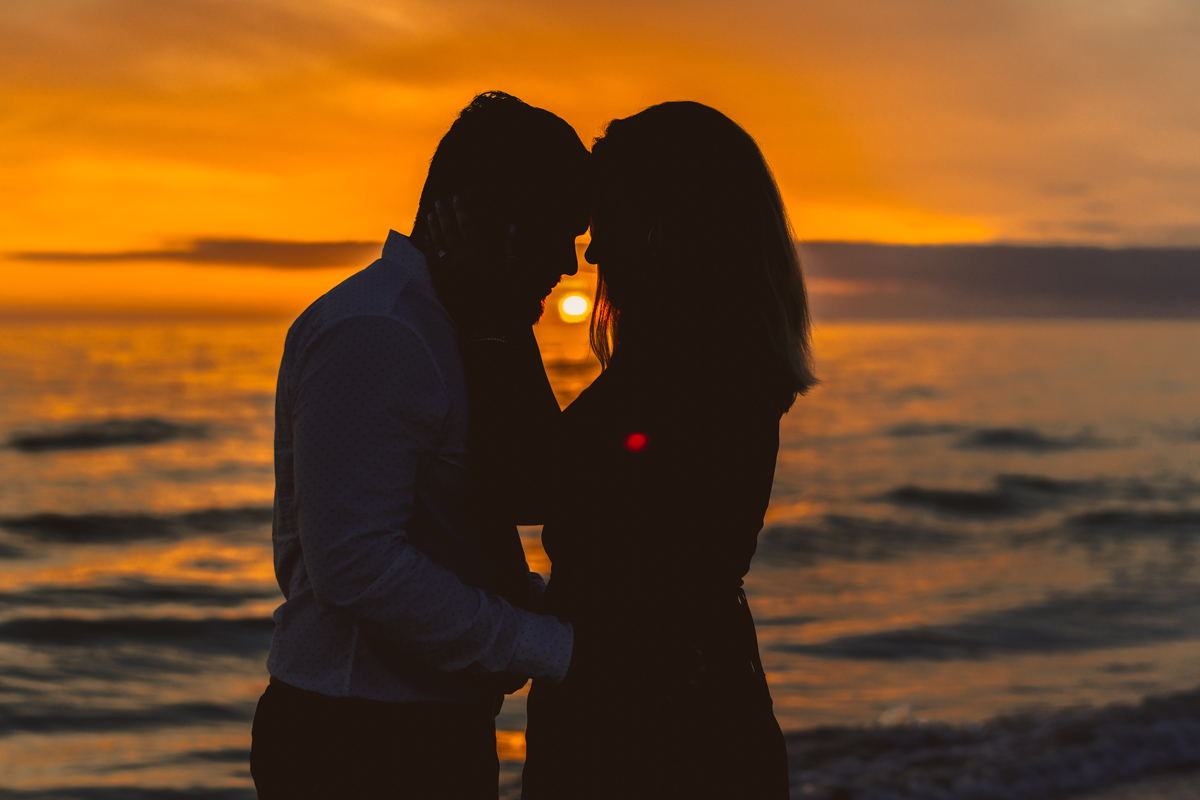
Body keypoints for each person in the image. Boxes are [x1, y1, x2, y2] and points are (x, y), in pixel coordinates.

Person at [250, 92, 589, 800]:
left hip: (413, 730)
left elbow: (486, 508)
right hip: (361, 745)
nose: (568, 262)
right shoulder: (382, 332)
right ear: (490, 217)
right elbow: (354, 564)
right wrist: (545, 646)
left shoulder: (455, 326)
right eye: (557, 231)